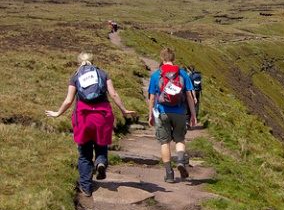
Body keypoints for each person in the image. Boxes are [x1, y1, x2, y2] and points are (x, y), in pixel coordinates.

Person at [45, 52, 135, 197]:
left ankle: (86, 187)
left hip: (83, 117)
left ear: (78, 62)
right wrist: (123, 110)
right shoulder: (103, 73)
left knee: (84, 153)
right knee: (101, 145)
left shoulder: (75, 76)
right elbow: (113, 94)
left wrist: (57, 113)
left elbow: (68, 101)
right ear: (94, 61)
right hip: (103, 116)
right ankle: (100, 162)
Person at [148, 48, 196, 183]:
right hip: (180, 112)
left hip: (162, 112)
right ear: (173, 58)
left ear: (162, 58)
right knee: (180, 139)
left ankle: (169, 174)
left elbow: (152, 97)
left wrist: (151, 114)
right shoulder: (182, 74)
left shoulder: (156, 74)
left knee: (165, 142)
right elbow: (189, 96)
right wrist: (193, 114)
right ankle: (180, 160)